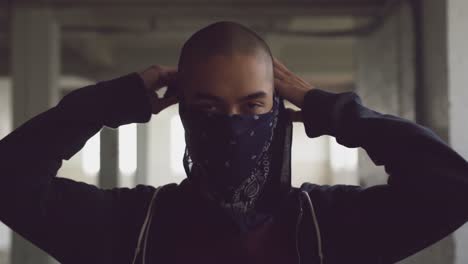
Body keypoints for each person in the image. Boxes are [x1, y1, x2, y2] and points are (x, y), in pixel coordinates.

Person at [0, 21, 467, 264]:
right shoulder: (130, 229)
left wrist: (332, 109)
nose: (231, 124)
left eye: (253, 105)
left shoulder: (328, 228)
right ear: (183, 112)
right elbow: (9, 179)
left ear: (280, 109)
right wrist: (109, 102)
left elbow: (451, 189)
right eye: (208, 108)